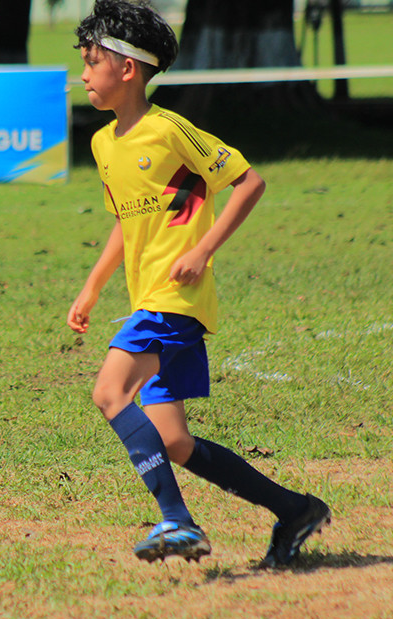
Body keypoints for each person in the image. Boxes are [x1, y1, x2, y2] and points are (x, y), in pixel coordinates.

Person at [67, 0, 330, 566]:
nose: (84, 74)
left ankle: (177, 522)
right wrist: (91, 288)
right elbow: (125, 221)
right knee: (174, 442)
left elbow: (248, 182)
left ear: (128, 69)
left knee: (110, 393)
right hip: (151, 300)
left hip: (175, 299)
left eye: (92, 61)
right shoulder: (103, 143)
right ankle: (294, 509)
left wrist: (203, 249)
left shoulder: (169, 129)